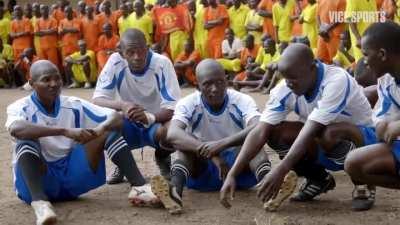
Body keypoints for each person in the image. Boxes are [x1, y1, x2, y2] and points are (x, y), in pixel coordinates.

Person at [220, 43, 377, 211]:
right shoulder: (285, 88)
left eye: (294, 78)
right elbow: (260, 130)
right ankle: (318, 180)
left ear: (312, 67)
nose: (289, 84)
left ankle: (363, 183)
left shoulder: (336, 80)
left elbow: (312, 128)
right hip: (322, 142)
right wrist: (232, 174)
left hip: (364, 143)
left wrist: (281, 170)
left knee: (331, 133)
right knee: (275, 131)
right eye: (286, 78)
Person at [5, 60, 158, 225]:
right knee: (25, 143)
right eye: (46, 80)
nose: (54, 84)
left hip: (72, 179)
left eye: (57, 78)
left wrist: (98, 131)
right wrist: (64, 131)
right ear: (32, 83)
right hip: (40, 182)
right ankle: (41, 205)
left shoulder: (73, 104)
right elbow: (16, 129)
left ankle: (140, 188)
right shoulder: (20, 107)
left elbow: (116, 117)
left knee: (108, 132)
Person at [151, 59, 271, 214]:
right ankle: (174, 194)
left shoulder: (242, 100)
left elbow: (258, 125)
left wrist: (222, 144)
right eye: (207, 84)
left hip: (238, 170)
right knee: (184, 147)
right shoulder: (188, 103)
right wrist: (212, 154)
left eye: (220, 82)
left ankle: (271, 190)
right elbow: (173, 133)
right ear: (197, 87)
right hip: (203, 172)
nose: (215, 89)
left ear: (227, 80)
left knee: (254, 145)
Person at [92, 29, 180, 200]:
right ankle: (123, 164)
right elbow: (98, 100)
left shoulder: (162, 63)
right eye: (130, 52)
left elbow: (172, 107)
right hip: (129, 120)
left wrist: (149, 117)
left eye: (141, 50)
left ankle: (163, 158)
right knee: (106, 126)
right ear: (121, 53)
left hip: (156, 120)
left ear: (147, 48)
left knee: (174, 130)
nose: (137, 56)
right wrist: (123, 105)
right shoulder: (115, 62)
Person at [345, 21, 400, 211]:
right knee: (354, 162)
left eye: (366, 55)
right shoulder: (386, 80)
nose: (364, 61)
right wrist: (383, 125)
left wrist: (398, 125)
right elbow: (382, 118)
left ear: (382, 54)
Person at [316, 0, 346, 64]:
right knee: (320, 60)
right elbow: (318, 15)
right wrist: (321, 30)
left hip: (335, 36)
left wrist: (326, 30)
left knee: (335, 61)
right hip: (323, 36)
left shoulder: (342, 1)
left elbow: (340, 18)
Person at [35, 5, 60, 69]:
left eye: (45, 9)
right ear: (40, 11)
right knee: (44, 65)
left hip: (51, 46)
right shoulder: (38, 21)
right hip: (42, 47)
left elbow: (54, 31)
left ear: (48, 10)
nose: (43, 11)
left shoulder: (53, 20)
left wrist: (42, 31)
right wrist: (49, 31)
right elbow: (37, 33)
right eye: (42, 9)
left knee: (53, 65)